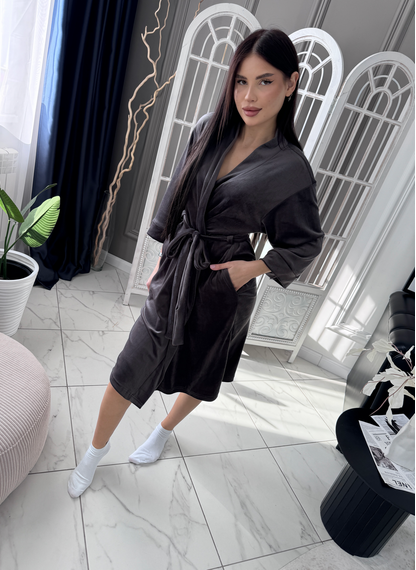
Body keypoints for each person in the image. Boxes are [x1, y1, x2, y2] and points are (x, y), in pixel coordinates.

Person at [67, 28, 324, 498]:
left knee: (202, 364)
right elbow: (178, 191)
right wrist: (163, 255)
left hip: (226, 282)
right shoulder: (208, 128)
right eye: (241, 81)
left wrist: (252, 268)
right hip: (180, 264)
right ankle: (93, 453)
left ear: (291, 83)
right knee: (131, 364)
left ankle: (163, 431)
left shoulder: (291, 170)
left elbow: (306, 242)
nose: (249, 96)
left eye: (265, 82)